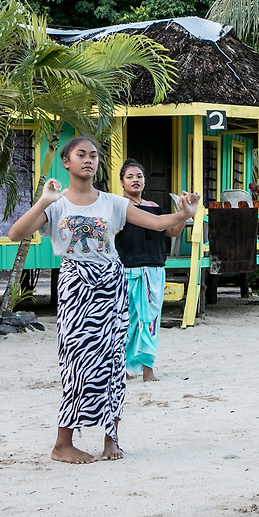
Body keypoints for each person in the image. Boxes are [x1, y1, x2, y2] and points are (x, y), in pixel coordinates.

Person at [8, 137, 200, 464]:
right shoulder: (57, 205)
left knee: (113, 363)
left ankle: (111, 438)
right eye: (81, 154)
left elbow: (157, 223)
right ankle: (63, 444)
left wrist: (184, 214)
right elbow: (15, 234)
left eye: (93, 155)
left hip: (111, 283)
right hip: (75, 286)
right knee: (76, 363)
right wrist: (43, 202)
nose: (88, 160)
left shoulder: (113, 203)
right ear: (66, 162)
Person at [115, 159, 186, 383]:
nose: (135, 180)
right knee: (125, 322)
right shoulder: (118, 208)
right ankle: (121, 369)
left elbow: (172, 232)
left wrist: (184, 213)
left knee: (150, 322)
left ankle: (148, 369)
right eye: (130, 177)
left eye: (139, 176)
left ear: (144, 181)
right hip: (126, 272)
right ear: (122, 182)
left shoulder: (155, 208)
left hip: (154, 271)